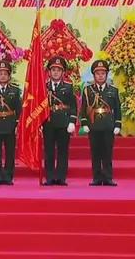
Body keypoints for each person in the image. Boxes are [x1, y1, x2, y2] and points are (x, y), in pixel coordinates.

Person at [80, 59, 121, 186]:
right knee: (95, 152)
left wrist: (118, 124)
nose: (100, 76)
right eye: (98, 73)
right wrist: (84, 123)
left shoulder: (113, 90)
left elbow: (117, 109)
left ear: (106, 75)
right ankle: (96, 177)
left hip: (108, 125)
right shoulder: (88, 90)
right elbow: (83, 108)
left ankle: (108, 177)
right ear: (94, 75)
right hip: (94, 125)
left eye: (103, 73)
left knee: (107, 152)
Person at [42, 56, 77, 186]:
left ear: (63, 72)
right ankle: (50, 177)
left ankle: (61, 177)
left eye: (58, 70)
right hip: (48, 122)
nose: (56, 73)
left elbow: (73, 106)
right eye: (53, 70)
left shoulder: (68, 87)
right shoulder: (43, 87)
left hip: (63, 122)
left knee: (63, 151)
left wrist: (72, 121)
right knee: (49, 151)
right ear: (49, 72)